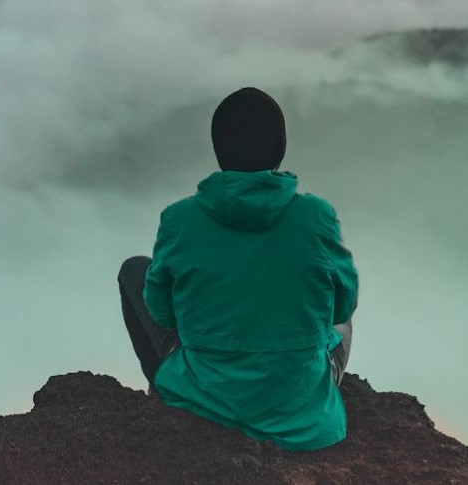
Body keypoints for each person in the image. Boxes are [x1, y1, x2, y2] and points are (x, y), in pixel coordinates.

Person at [118, 86, 358, 450]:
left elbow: (163, 312)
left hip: (204, 395)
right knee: (342, 323)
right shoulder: (316, 217)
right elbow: (341, 306)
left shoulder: (180, 219)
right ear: (280, 151)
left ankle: (165, 387)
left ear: (219, 153)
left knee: (134, 270)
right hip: (300, 410)